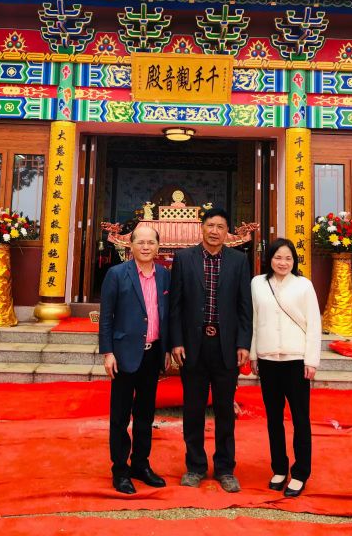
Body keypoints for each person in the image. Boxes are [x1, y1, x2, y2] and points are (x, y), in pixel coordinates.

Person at [170, 207, 252, 493]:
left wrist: (244, 343)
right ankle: (194, 466)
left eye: (221, 226)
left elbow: (245, 307)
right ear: (201, 228)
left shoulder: (239, 261)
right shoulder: (183, 259)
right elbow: (175, 306)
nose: (215, 231)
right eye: (210, 225)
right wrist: (176, 342)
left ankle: (226, 468)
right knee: (193, 409)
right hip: (193, 346)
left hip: (226, 346)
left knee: (224, 410)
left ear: (227, 231)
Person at [99, 224, 171, 495]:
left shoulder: (164, 275)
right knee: (120, 416)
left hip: (152, 354)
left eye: (150, 242)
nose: (145, 247)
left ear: (157, 246)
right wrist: (108, 352)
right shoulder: (117, 274)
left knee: (145, 414)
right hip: (123, 354)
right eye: (140, 242)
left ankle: (141, 464)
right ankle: (120, 470)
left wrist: (165, 348)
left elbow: (165, 314)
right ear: (130, 245)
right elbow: (106, 317)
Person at [250, 238, 321, 498]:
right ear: (269, 259)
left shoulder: (304, 285)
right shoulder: (258, 283)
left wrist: (311, 359)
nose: (283, 262)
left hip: (296, 361)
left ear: (294, 260)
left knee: (300, 418)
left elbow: (314, 323)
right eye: (278, 257)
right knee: (273, 418)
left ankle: (300, 472)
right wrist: (255, 353)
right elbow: (255, 321)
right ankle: (279, 467)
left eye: (288, 258)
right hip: (268, 360)